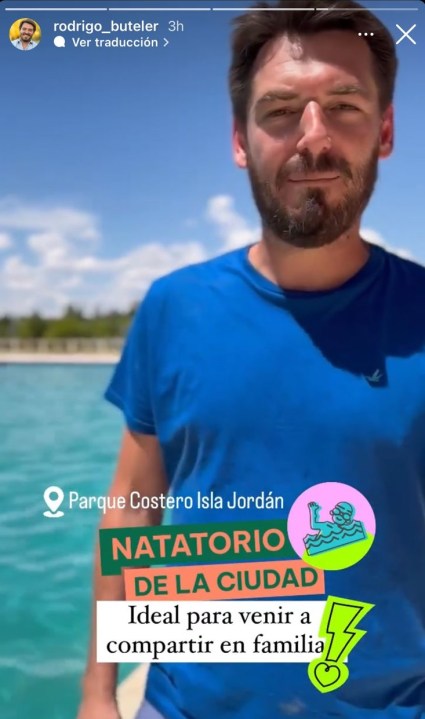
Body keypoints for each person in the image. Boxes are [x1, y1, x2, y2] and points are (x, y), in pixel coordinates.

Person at [77, 0, 425, 717]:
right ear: (240, 139)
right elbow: (132, 507)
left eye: (344, 106)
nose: (313, 137)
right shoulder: (173, 307)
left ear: (385, 131)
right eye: (280, 111)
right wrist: (98, 691)